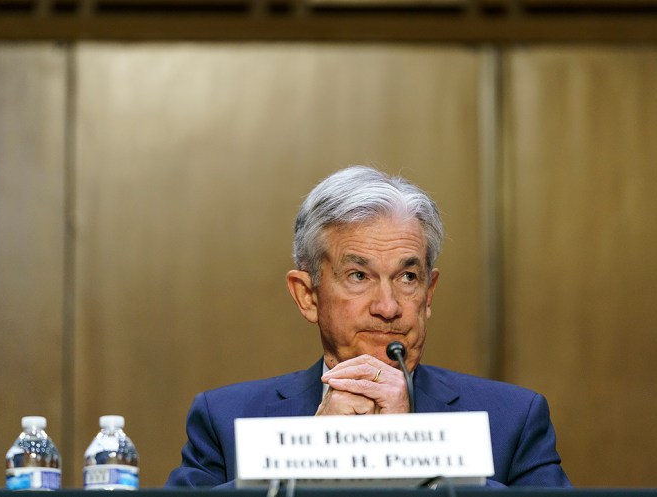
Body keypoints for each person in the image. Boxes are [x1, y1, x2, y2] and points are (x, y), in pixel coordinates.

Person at [166, 166, 571, 488]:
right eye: (359, 276)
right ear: (308, 295)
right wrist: (306, 459)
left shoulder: (512, 418)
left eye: (407, 278)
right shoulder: (226, 419)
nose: (388, 306)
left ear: (428, 294)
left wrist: (417, 458)